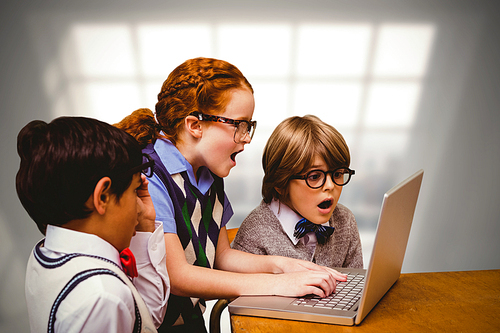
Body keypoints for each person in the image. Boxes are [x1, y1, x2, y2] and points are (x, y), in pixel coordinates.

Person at [115, 57, 346, 332]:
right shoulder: (152, 176)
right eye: (239, 125)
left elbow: (222, 257)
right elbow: (177, 276)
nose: (247, 138)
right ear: (195, 125)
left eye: (249, 126)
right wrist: (277, 284)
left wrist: (286, 267)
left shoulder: (210, 174)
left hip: (189, 322)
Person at [17, 116, 170, 333]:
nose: (139, 206)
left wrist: (145, 224)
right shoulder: (102, 296)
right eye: (135, 190)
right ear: (103, 196)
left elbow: (144, 318)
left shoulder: (48, 252)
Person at [232, 115, 363, 269]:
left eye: (337, 174)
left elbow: (358, 285)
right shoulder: (253, 235)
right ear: (280, 183)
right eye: (314, 176)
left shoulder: (345, 221)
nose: (330, 185)